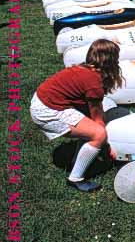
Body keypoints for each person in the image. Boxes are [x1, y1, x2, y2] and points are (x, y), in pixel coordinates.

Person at [30, 39, 123, 192]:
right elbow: (97, 119)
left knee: (89, 125)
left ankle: (78, 160)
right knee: (98, 134)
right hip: (47, 110)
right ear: (111, 60)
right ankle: (76, 178)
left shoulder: (85, 69)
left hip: (43, 100)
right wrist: (108, 145)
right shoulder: (94, 83)